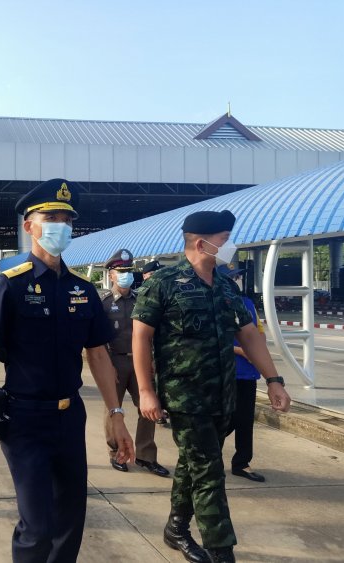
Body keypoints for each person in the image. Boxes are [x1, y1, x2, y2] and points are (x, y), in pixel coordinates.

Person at [0, 178, 135, 562]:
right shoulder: (9, 286)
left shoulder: (83, 290)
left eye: (66, 218)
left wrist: (115, 413)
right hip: (24, 418)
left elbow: (97, 355)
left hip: (68, 417)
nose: (61, 225)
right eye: (52, 217)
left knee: (70, 520)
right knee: (37, 526)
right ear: (29, 226)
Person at [132, 210, 291, 563]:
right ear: (202, 242)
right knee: (209, 474)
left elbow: (248, 334)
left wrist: (274, 379)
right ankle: (222, 552)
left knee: (194, 464)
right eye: (224, 238)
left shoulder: (223, 285)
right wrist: (146, 390)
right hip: (185, 397)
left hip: (223, 395)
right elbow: (141, 337)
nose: (229, 245)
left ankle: (176, 527)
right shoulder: (163, 282)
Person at [101, 248, 169, 477]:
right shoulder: (104, 303)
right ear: (111, 274)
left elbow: (152, 333)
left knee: (149, 409)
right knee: (113, 409)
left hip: (141, 364)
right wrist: (106, 366)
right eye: (121, 271)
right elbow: (96, 341)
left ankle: (145, 455)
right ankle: (117, 452)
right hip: (115, 363)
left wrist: (153, 360)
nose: (126, 275)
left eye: (129, 271)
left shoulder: (143, 299)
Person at [218, 264, 266, 483]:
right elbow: (213, 340)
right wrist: (240, 350)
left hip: (248, 372)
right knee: (225, 418)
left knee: (245, 419)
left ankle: (242, 463)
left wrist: (257, 352)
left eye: (237, 276)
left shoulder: (247, 303)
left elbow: (258, 333)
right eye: (233, 277)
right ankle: (209, 456)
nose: (236, 279)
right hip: (227, 370)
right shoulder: (216, 304)